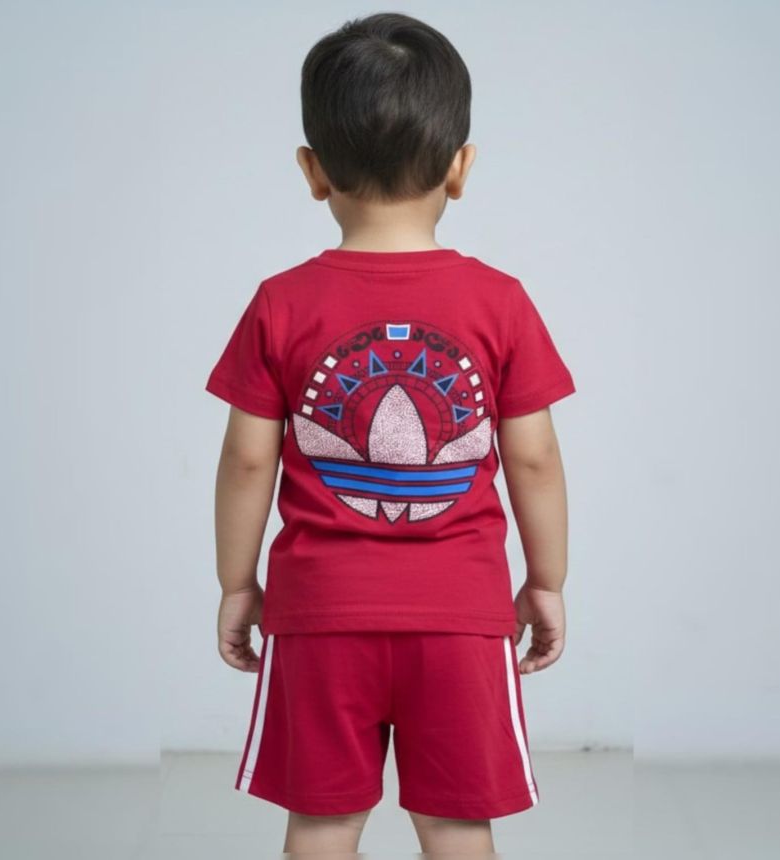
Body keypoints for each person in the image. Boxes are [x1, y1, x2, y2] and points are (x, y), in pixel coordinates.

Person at [206, 12, 575, 856]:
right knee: (456, 824)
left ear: (312, 171)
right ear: (460, 167)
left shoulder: (280, 303)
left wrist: (236, 582)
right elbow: (535, 457)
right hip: (461, 617)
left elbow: (247, 458)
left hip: (319, 615)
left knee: (323, 823)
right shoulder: (501, 302)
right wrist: (546, 580)